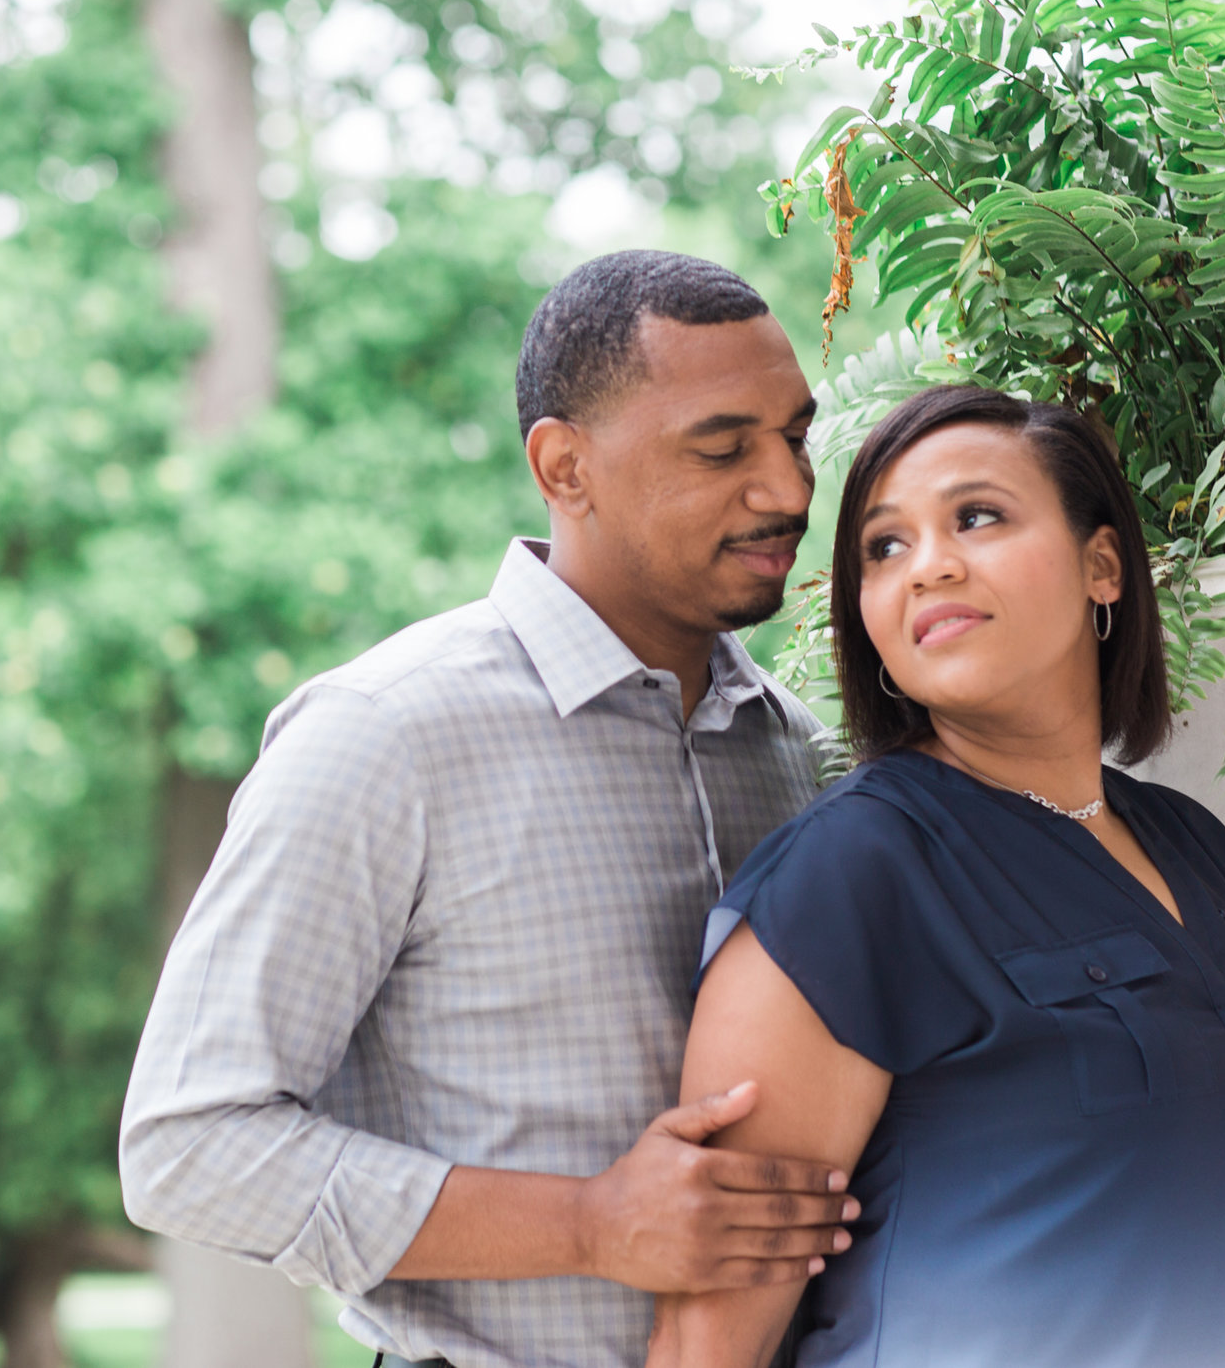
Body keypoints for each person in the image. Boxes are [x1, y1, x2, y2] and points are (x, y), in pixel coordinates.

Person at [120, 250, 862, 1368]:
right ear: (564, 466)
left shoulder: (812, 755)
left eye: (795, 437)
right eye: (722, 448)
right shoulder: (384, 733)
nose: (790, 491)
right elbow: (189, 1144)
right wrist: (590, 1222)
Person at [648, 385, 1225, 1368]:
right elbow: (706, 1341)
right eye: (882, 548)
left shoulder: (1197, 845)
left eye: (976, 517)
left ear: (1100, 564)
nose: (927, 564)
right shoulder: (850, 876)